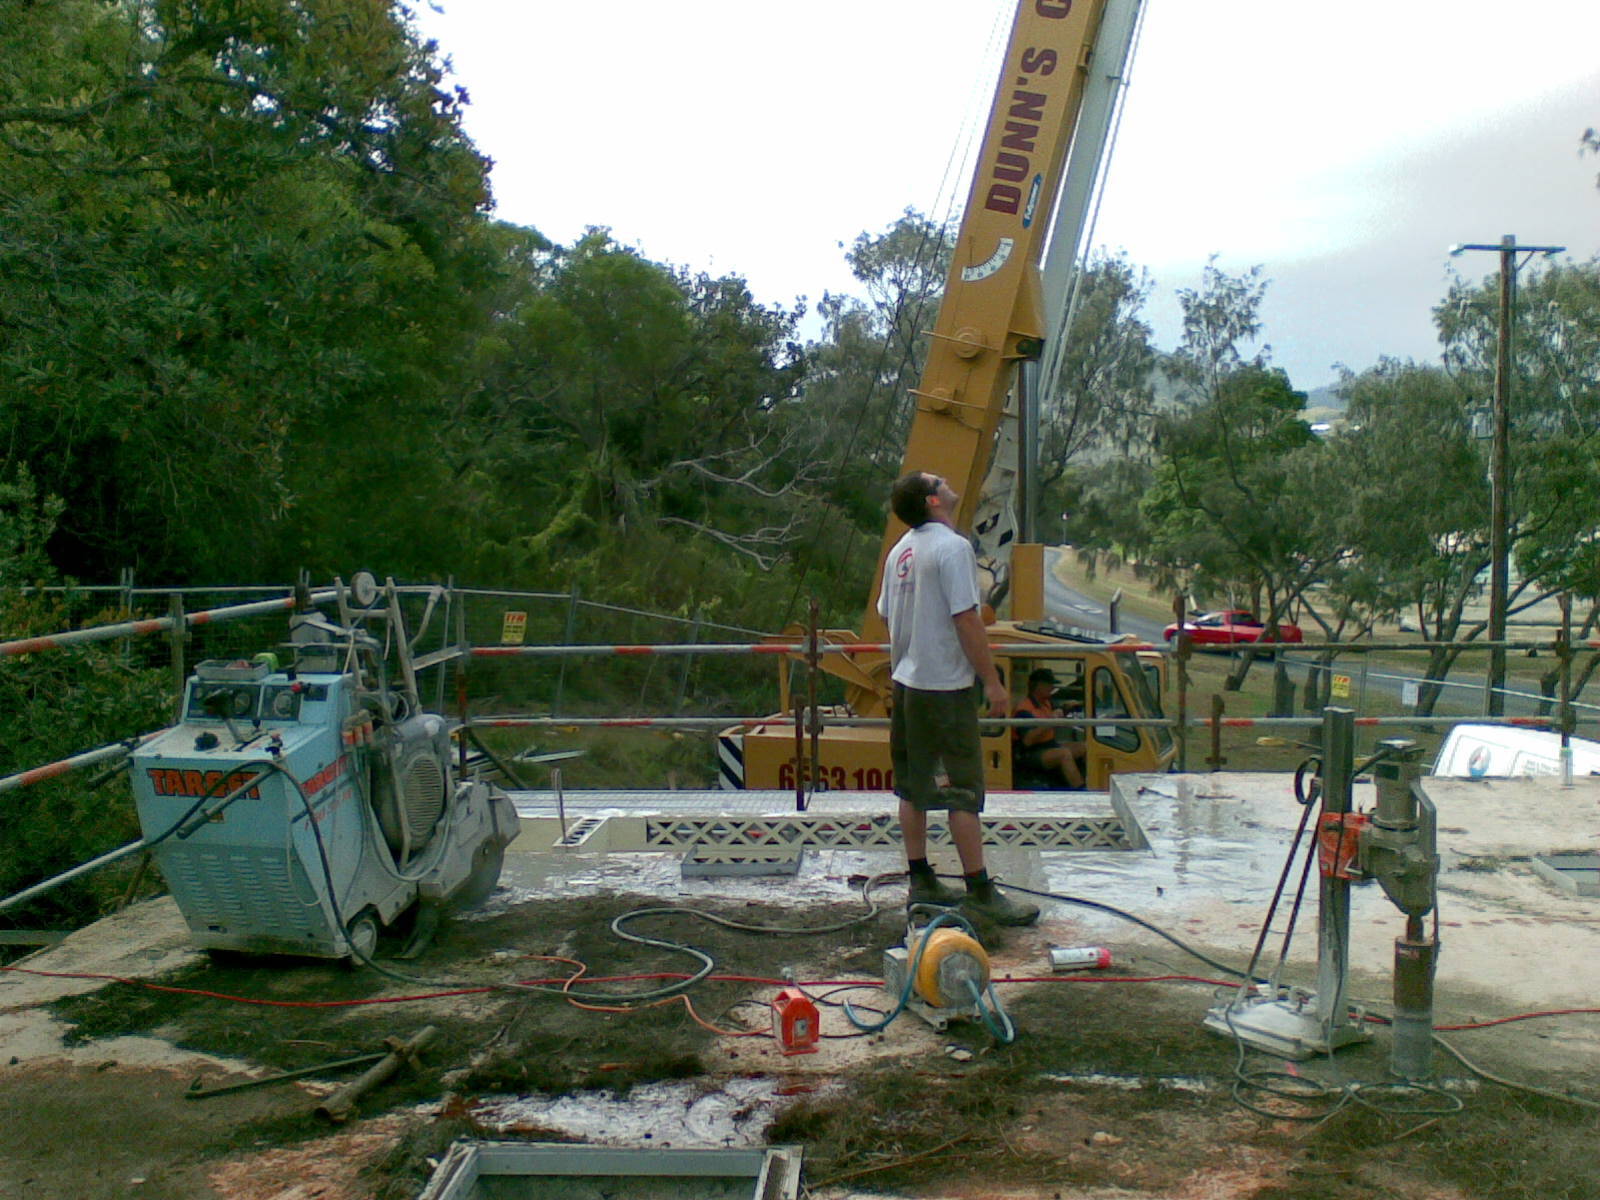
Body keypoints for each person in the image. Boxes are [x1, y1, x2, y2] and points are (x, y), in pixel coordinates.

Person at [876, 470, 1039, 926]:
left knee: (912, 785)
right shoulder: (952, 547)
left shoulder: (900, 552)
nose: (948, 480)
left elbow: (887, 613)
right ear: (932, 501)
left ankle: (920, 879)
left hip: (906, 682)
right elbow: (967, 619)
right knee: (963, 790)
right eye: (936, 481)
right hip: (943, 687)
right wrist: (992, 681)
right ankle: (980, 890)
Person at [1013, 667, 1086, 789]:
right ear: (1039, 686)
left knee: (1083, 747)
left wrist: (1067, 707)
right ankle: (1080, 789)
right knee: (1064, 754)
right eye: (1050, 685)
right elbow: (1028, 740)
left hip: (1049, 745)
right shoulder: (1024, 710)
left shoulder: (1046, 703)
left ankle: (1086, 781)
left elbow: (1056, 712)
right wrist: (1050, 721)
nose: (1052, 688)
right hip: (1030, 753)